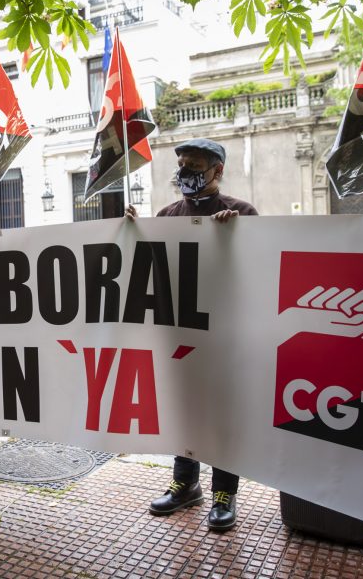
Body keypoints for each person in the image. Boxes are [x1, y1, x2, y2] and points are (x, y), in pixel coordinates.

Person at [126, 138, 257, 532]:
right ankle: (185, 483)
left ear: (218, 171)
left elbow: (257, 268)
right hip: (178, 333)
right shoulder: (166, 215)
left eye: (194, 164)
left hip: (224, 335)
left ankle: (224, 492)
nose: (184, 171)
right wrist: (133, 231)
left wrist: (234, 235)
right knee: (182, 409)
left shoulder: (242, 213)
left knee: (221, 412)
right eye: (181, 164)